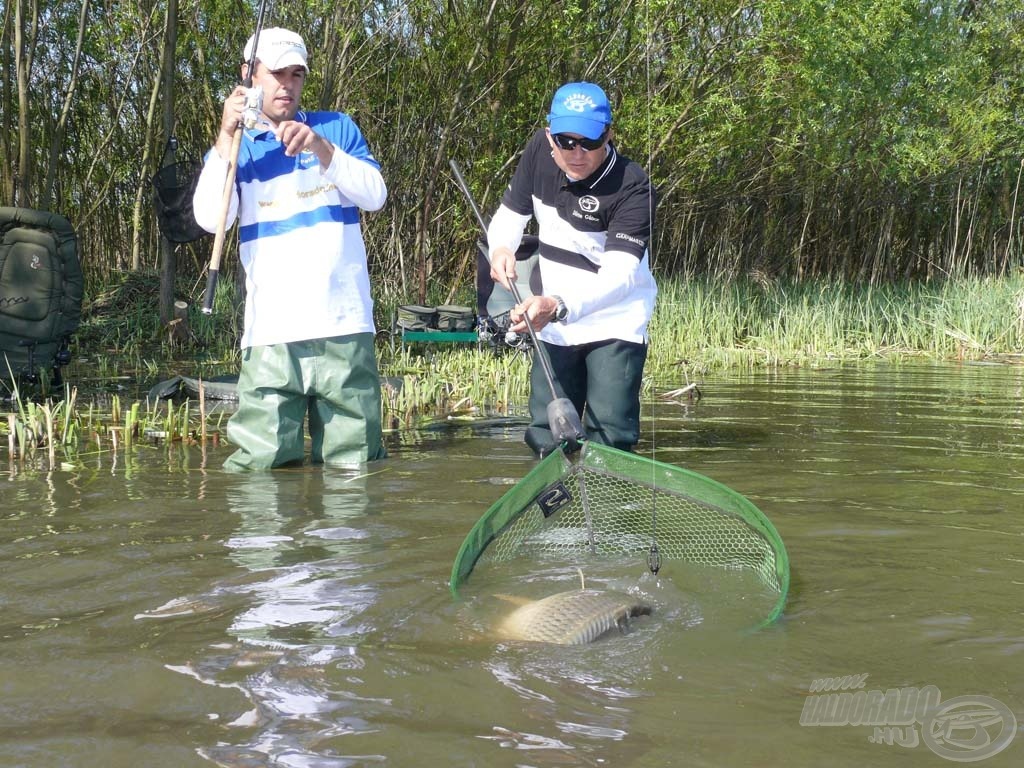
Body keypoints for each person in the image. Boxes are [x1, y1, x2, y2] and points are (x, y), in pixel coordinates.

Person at [193, 27, 387, 470]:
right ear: (248, 76)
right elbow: (210, 218)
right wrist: (225, 135)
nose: (287, 84)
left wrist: (322, 149)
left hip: (344, 328)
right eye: (276, 72)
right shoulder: (238, 148)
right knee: (259, 477)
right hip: (270, 336)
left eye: (297, 74)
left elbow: (375, 195)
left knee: (353, 471)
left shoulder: (336, 127)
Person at [486, 81, 657, 456]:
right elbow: (509, 217)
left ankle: (610, 502)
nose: (577, 153)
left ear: (608, 136)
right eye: (566, 142)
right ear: (549, 137)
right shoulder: (538, 154)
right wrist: (500, 248)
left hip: (614, 321)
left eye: (590, 142)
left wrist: (558, 305)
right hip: (553, 322)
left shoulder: (634, 185)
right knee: (546, 433)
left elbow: (621, 276)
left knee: (610, 437)